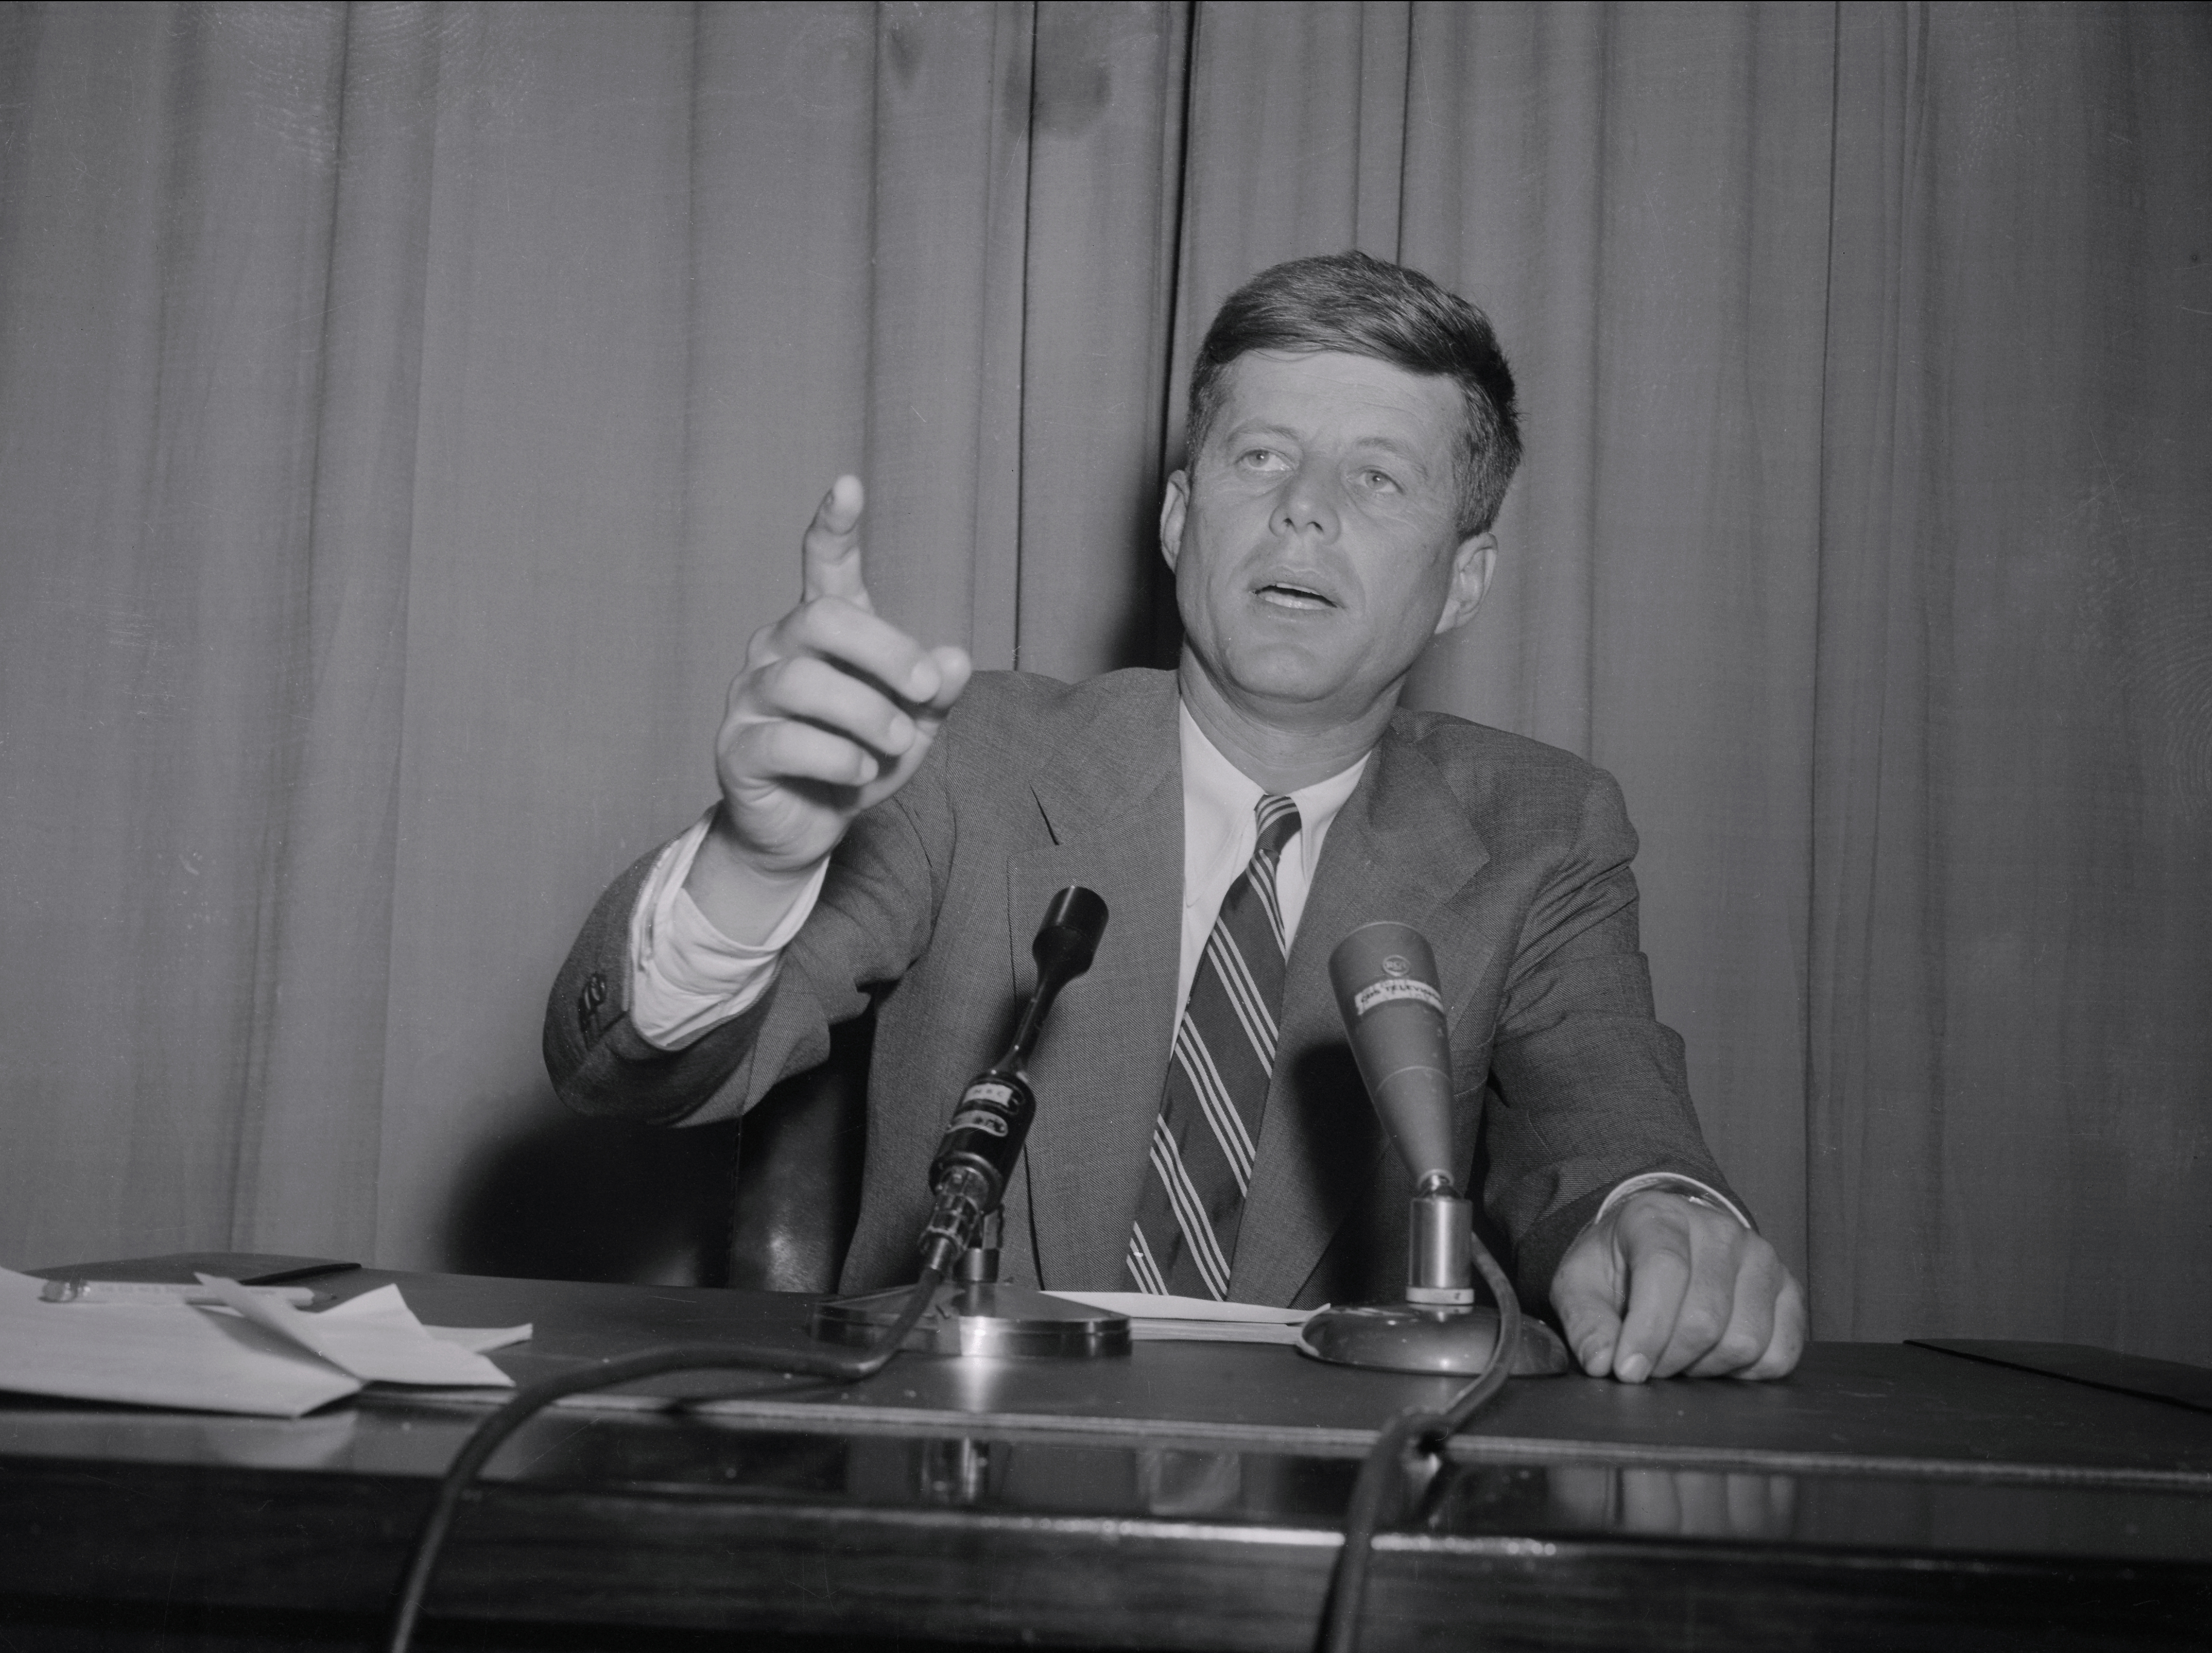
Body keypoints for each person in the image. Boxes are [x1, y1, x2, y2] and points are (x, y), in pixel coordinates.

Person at [547, 252, 1805, 1382]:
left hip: (1343, 1523)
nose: (1305, 507)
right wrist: (754, 864)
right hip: (959, 1475)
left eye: (1379, 478)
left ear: (1465, 578)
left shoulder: (1546, 827)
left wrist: (1661, 1215)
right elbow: (630, 1071)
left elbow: (1609, 1123)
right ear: (1176, 513)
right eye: (1261, 457)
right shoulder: (967, 758)